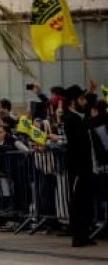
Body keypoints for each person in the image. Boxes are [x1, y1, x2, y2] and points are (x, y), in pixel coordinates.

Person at [63, 85, 96, 248]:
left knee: (86, 200)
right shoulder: (71, 118)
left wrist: (90, 91)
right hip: (78, 166)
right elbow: (77, 143)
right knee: (77, 200)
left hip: (87, 165)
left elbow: (90, 110)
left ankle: (85, 233)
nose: (85, 101)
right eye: (81, 98)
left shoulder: (79, 116)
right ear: (74, 101)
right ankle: (77, 235)